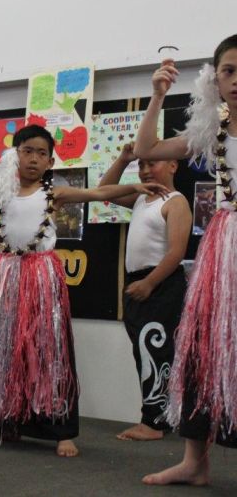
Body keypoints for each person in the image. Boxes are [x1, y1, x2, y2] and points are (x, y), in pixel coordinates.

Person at [0, 124, 169, 457]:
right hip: (9, 276)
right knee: (7, 350)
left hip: (42, 276)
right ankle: (5, 424)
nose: (34, 159)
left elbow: (98, 194)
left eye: (42, 154)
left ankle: (61, 432)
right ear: (15, 154)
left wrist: (135, 185)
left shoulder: (54, 194)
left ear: (51, 161)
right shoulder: (1, 194)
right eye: (28, 151)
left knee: (51, 351)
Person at [135, 35, 237, 486]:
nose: (236, 80)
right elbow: (145, 151)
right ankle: (195, 460)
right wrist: (157, 96)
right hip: (221, 250)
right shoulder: (208, 132)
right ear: (214, 77)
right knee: (202, 349)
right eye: (229, 70)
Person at [98, 143, 191, 440]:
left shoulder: (176, 202)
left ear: (174, 165)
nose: (146, 169)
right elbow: (104, 189)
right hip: (140, 282)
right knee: (144, 351)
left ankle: (154, 423)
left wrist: (150, 282)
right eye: (143, 165)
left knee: (156, 351)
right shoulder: (141, 197)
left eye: (154, 163)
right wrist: (124, 158)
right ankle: (158, 417)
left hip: (161, 284)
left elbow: (176, 252)